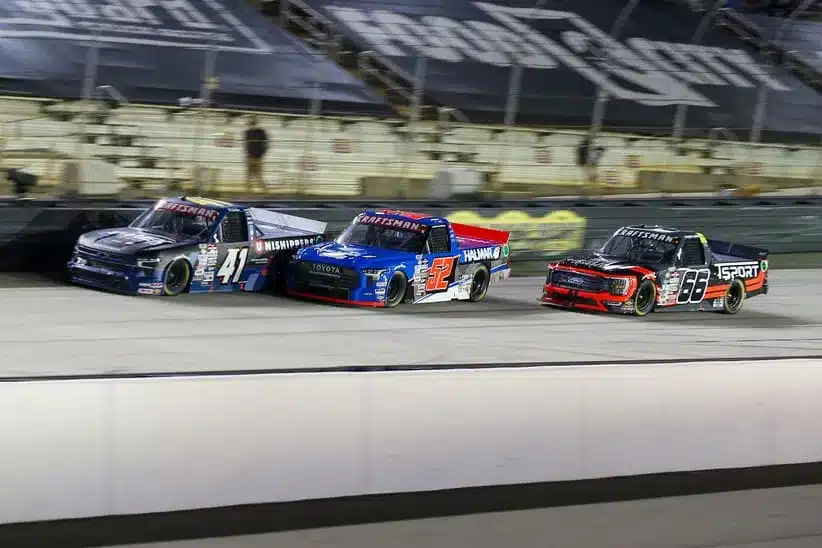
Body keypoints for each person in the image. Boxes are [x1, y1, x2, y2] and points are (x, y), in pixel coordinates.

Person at [244, 115, 268, 193]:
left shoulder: (261, 132)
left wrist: (261, 153)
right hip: (249, 157)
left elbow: (266, 144)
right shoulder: (247, 132)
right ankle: (249, 192)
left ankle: (265, 191)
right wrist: (247, 154)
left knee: (258, 175)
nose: (251, 122)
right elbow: (247, 144)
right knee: (248, 175)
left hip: (258, 157)